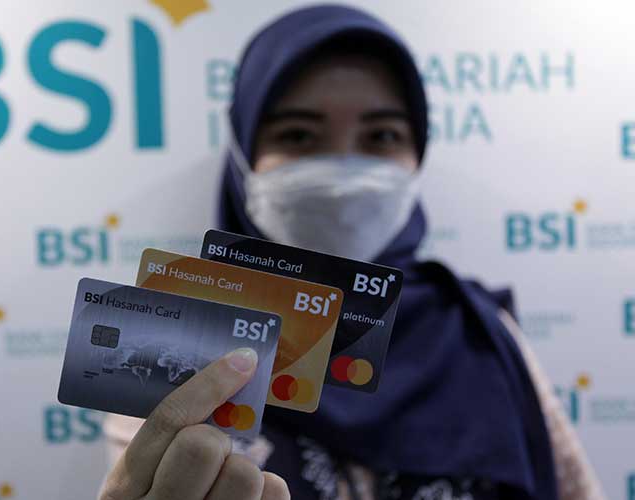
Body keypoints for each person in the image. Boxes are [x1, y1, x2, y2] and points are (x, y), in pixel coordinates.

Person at [99, 5, 605, 500]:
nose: (343, 170)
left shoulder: (480, 335)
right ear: (243, 154)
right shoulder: (177, 339)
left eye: (381, 135)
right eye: (298, 135)